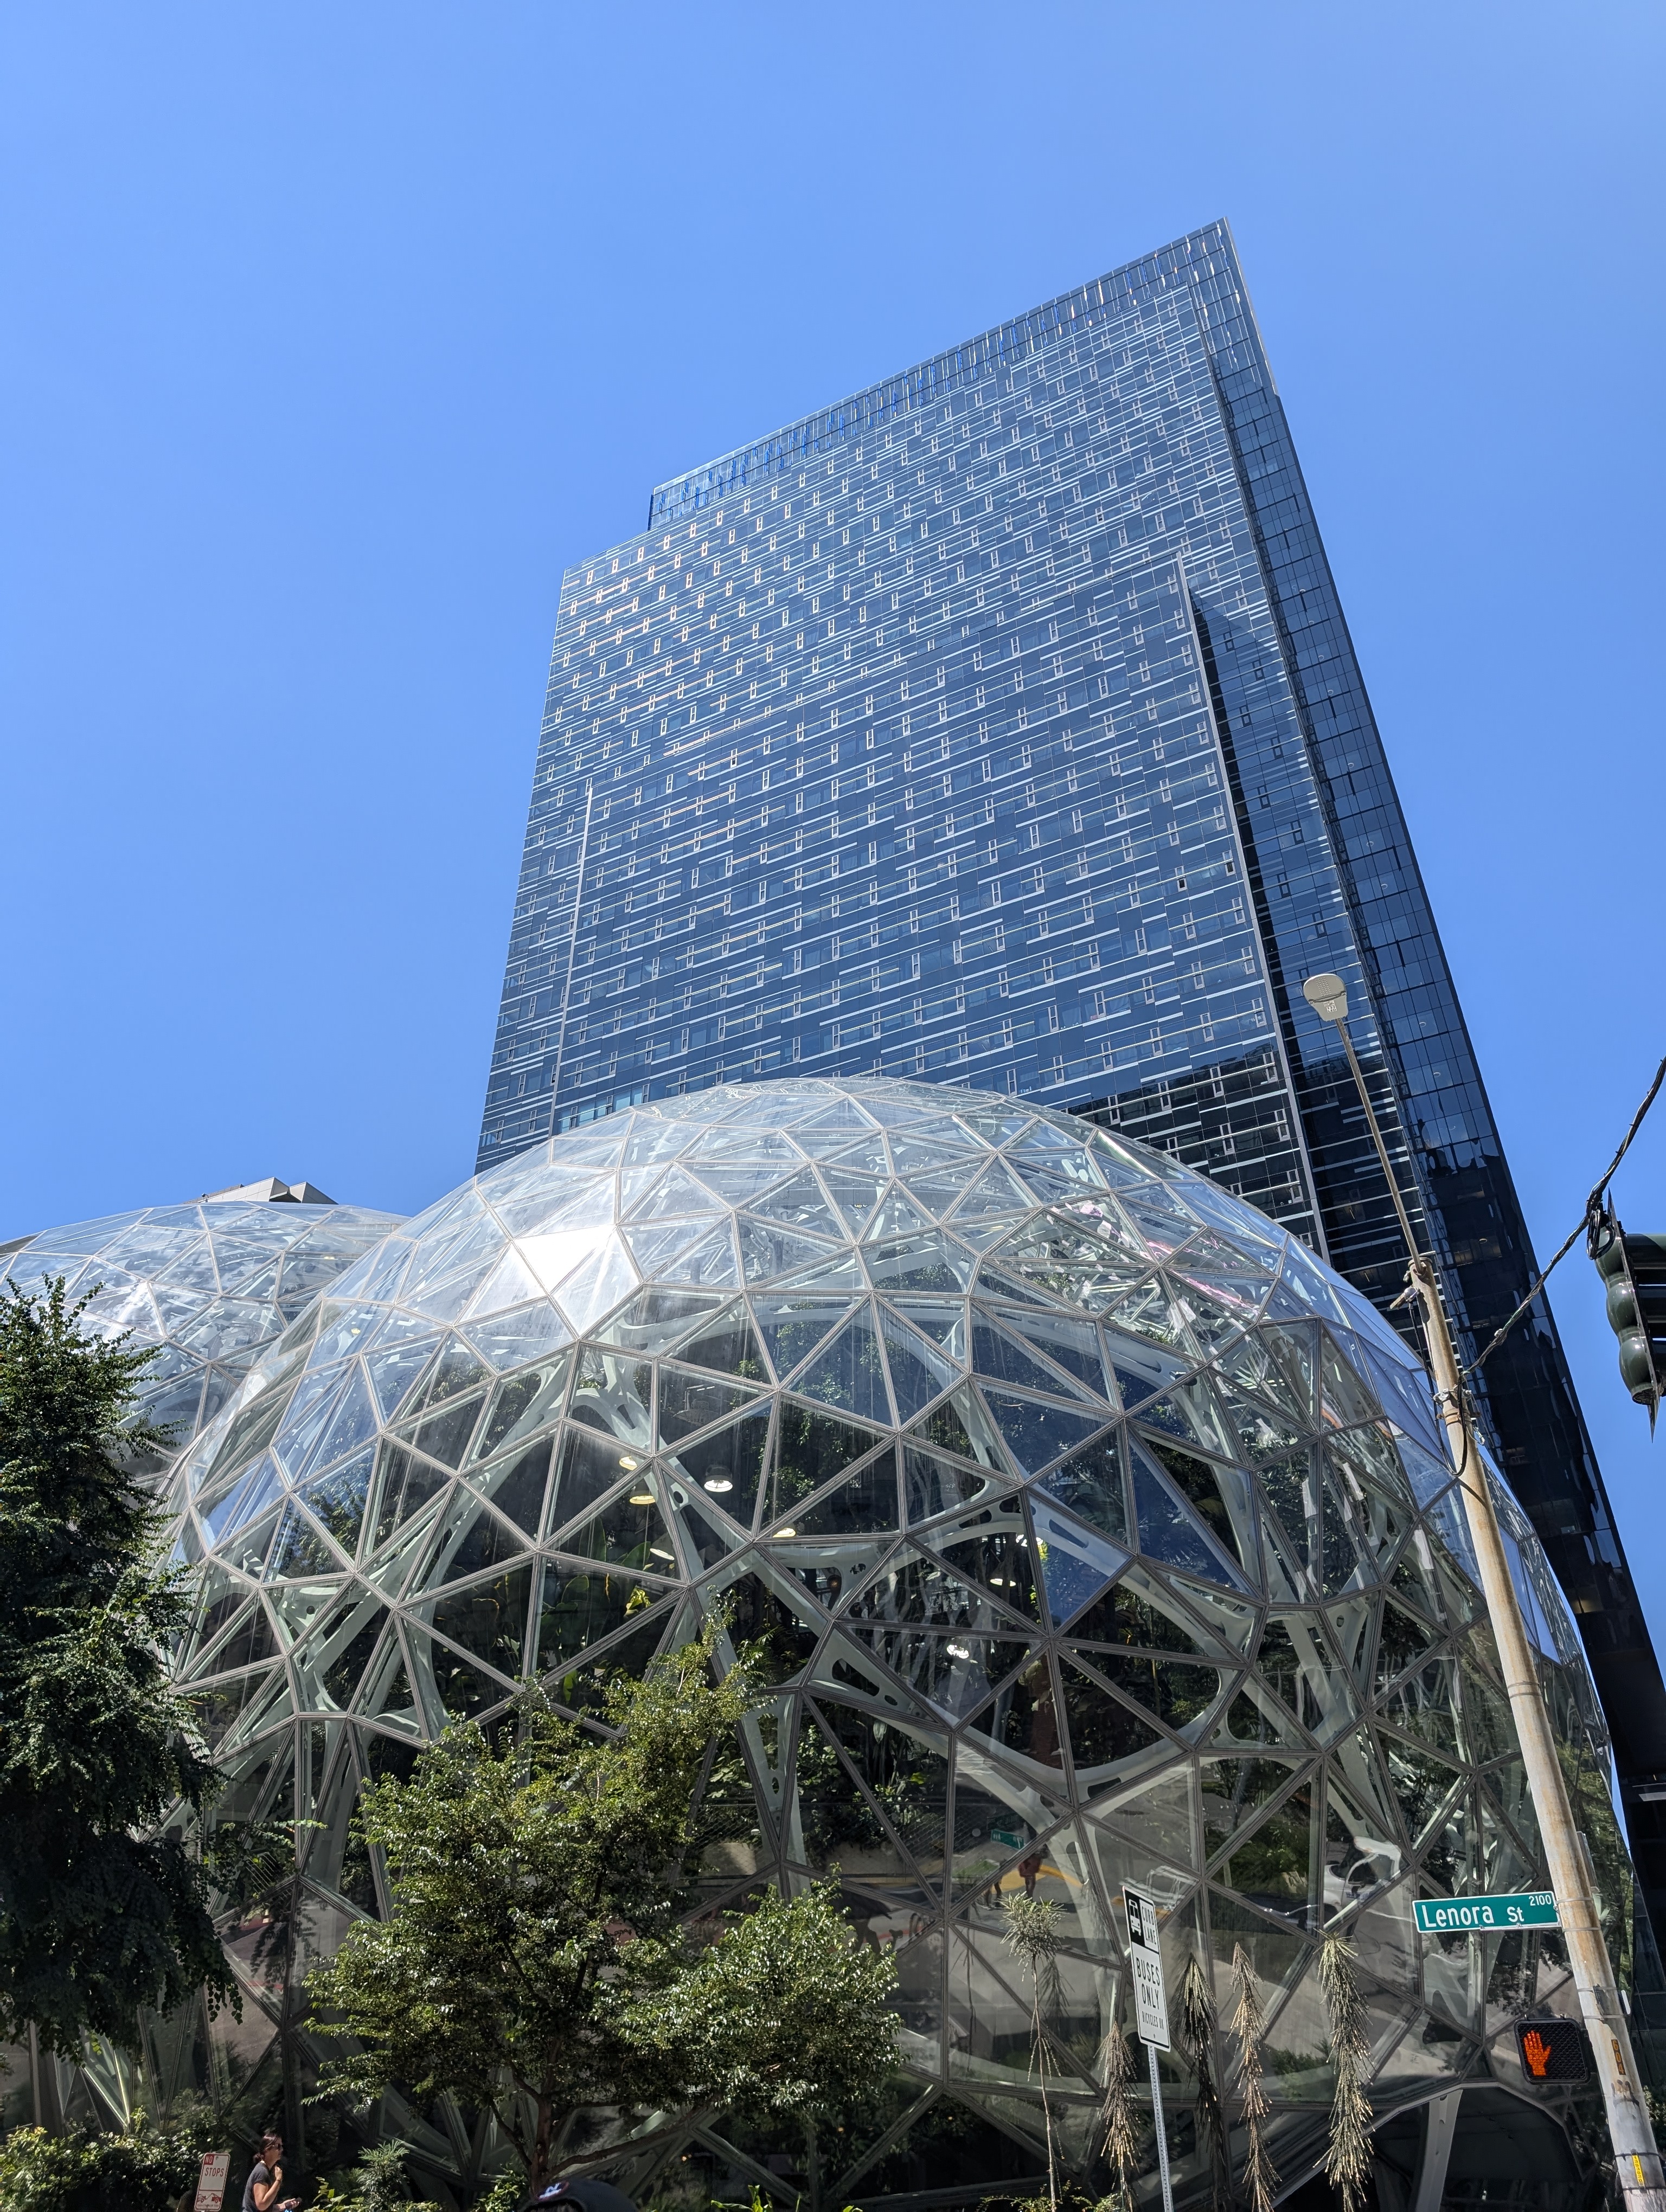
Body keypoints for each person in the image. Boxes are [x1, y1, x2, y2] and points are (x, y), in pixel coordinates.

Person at [242, 2133, 299, 2212]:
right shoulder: (262, 2172)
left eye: (282, 2146)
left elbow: (264, 2208)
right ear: (267, 2149)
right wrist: (278, 2180)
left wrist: (283, 2206)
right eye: (278, 2147)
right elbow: (261, 2205)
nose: (282, 2149)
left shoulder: (265, 2170)